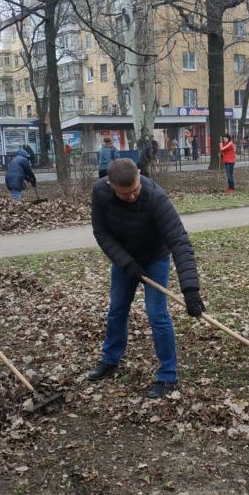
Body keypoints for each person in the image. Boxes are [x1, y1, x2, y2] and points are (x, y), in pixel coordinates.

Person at [85, 158, 205, 398]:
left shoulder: (155, 197)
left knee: (157, 314)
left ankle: (168, 375)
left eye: (135, 190)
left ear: (139, 176)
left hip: (155, 258)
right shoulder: (100, 193)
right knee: (117, 309)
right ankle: (110, 359)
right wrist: (125, 262)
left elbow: (179, 241)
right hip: (125, 260)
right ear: (111, 186)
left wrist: (190, 290)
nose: (131, 197)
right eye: (124, 194)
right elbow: (101, 232)